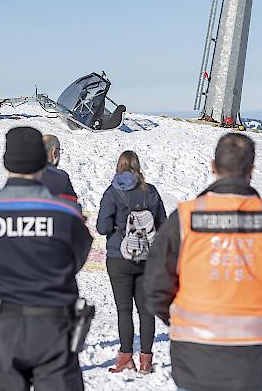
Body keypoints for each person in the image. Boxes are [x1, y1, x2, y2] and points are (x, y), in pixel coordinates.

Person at [145, 133, 262, 391]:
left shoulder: (185, 219)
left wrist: (180, 321)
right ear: (251, 171)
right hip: (251, 357)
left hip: (194, 356)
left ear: (213, 166)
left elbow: (155, 286)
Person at [0, 126, 92, 391]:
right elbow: (77, 259)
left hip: (3, 325)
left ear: (6, 161)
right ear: (42, 160)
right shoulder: (66, 213)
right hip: (54, 325)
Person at [96, 150, 166, 374]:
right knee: (146, 311)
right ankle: (146, 360)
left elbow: (102, 228)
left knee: (124, 310)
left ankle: (125, 357)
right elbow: (163, 225)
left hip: (119, 257)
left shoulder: (112, 192)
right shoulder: (151, 191)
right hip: (147, 257)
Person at [41, 134, 77, 201]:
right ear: (54, 152)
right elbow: (72, 205)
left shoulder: (23, 174)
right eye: (59, 150)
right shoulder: (61, 178)